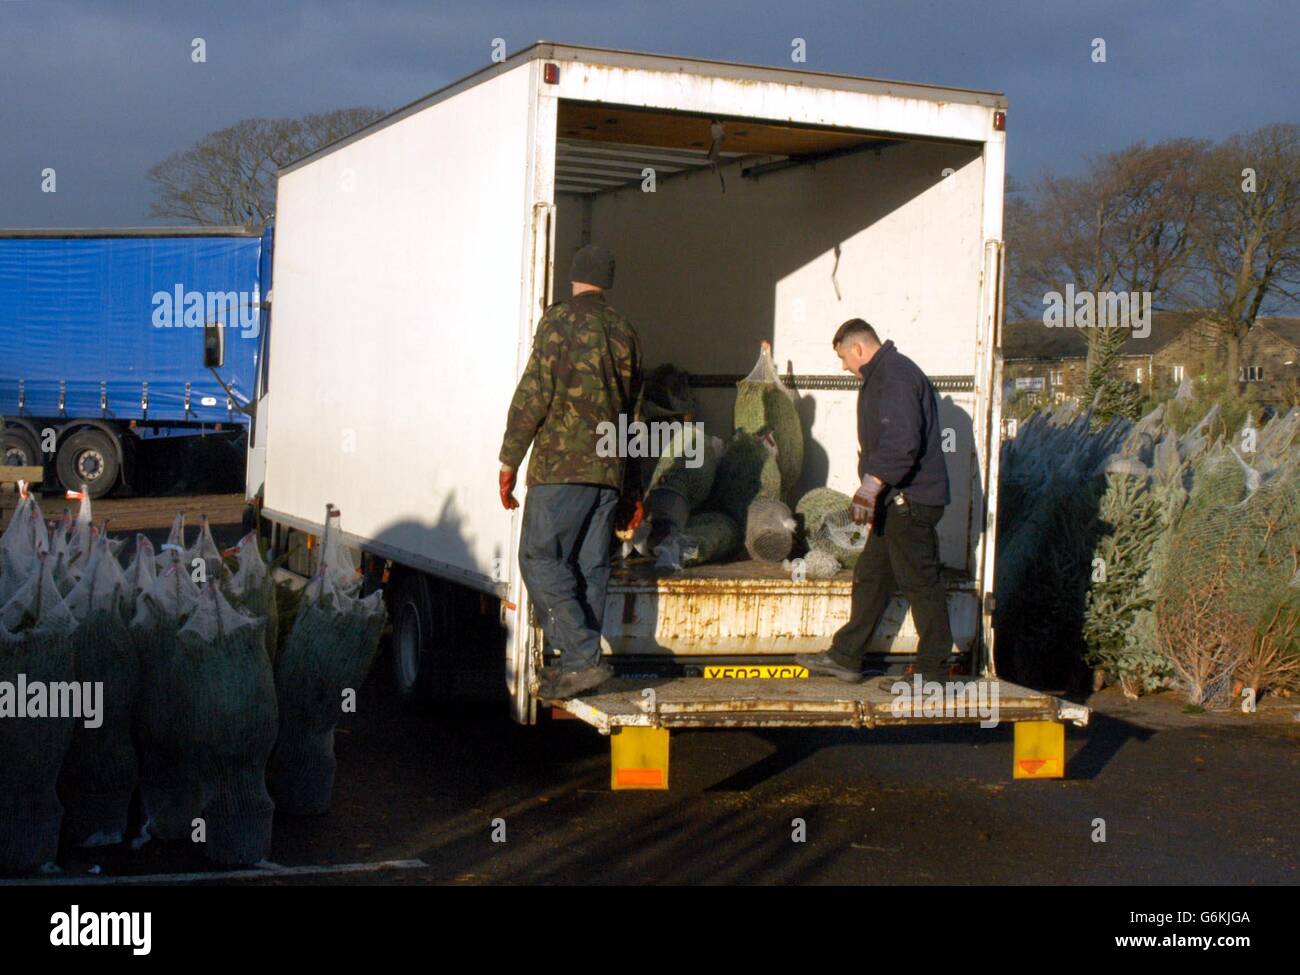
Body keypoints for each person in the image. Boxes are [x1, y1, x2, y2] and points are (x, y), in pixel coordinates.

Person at [498, 244, 643, 699]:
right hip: (609, 471)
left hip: (562, 468)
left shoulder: (558, 321)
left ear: (574, 278)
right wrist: (633, 488)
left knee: (538, 559)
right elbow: (634, 416)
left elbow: (534, 394)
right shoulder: (625, 332)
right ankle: (581, 669)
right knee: (589, 566)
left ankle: (582, 659)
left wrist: (509, 459)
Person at [797, 318, 955, 687]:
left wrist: (871, 487)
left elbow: (901, 444)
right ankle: (846, 656)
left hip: (910, 501)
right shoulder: (884, 374)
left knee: (920, 584)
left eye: (843, 357)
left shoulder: (894, 377)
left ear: (858, 348)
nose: (843, 367)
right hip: (897, 500)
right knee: (872, 576)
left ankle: (933, 673)